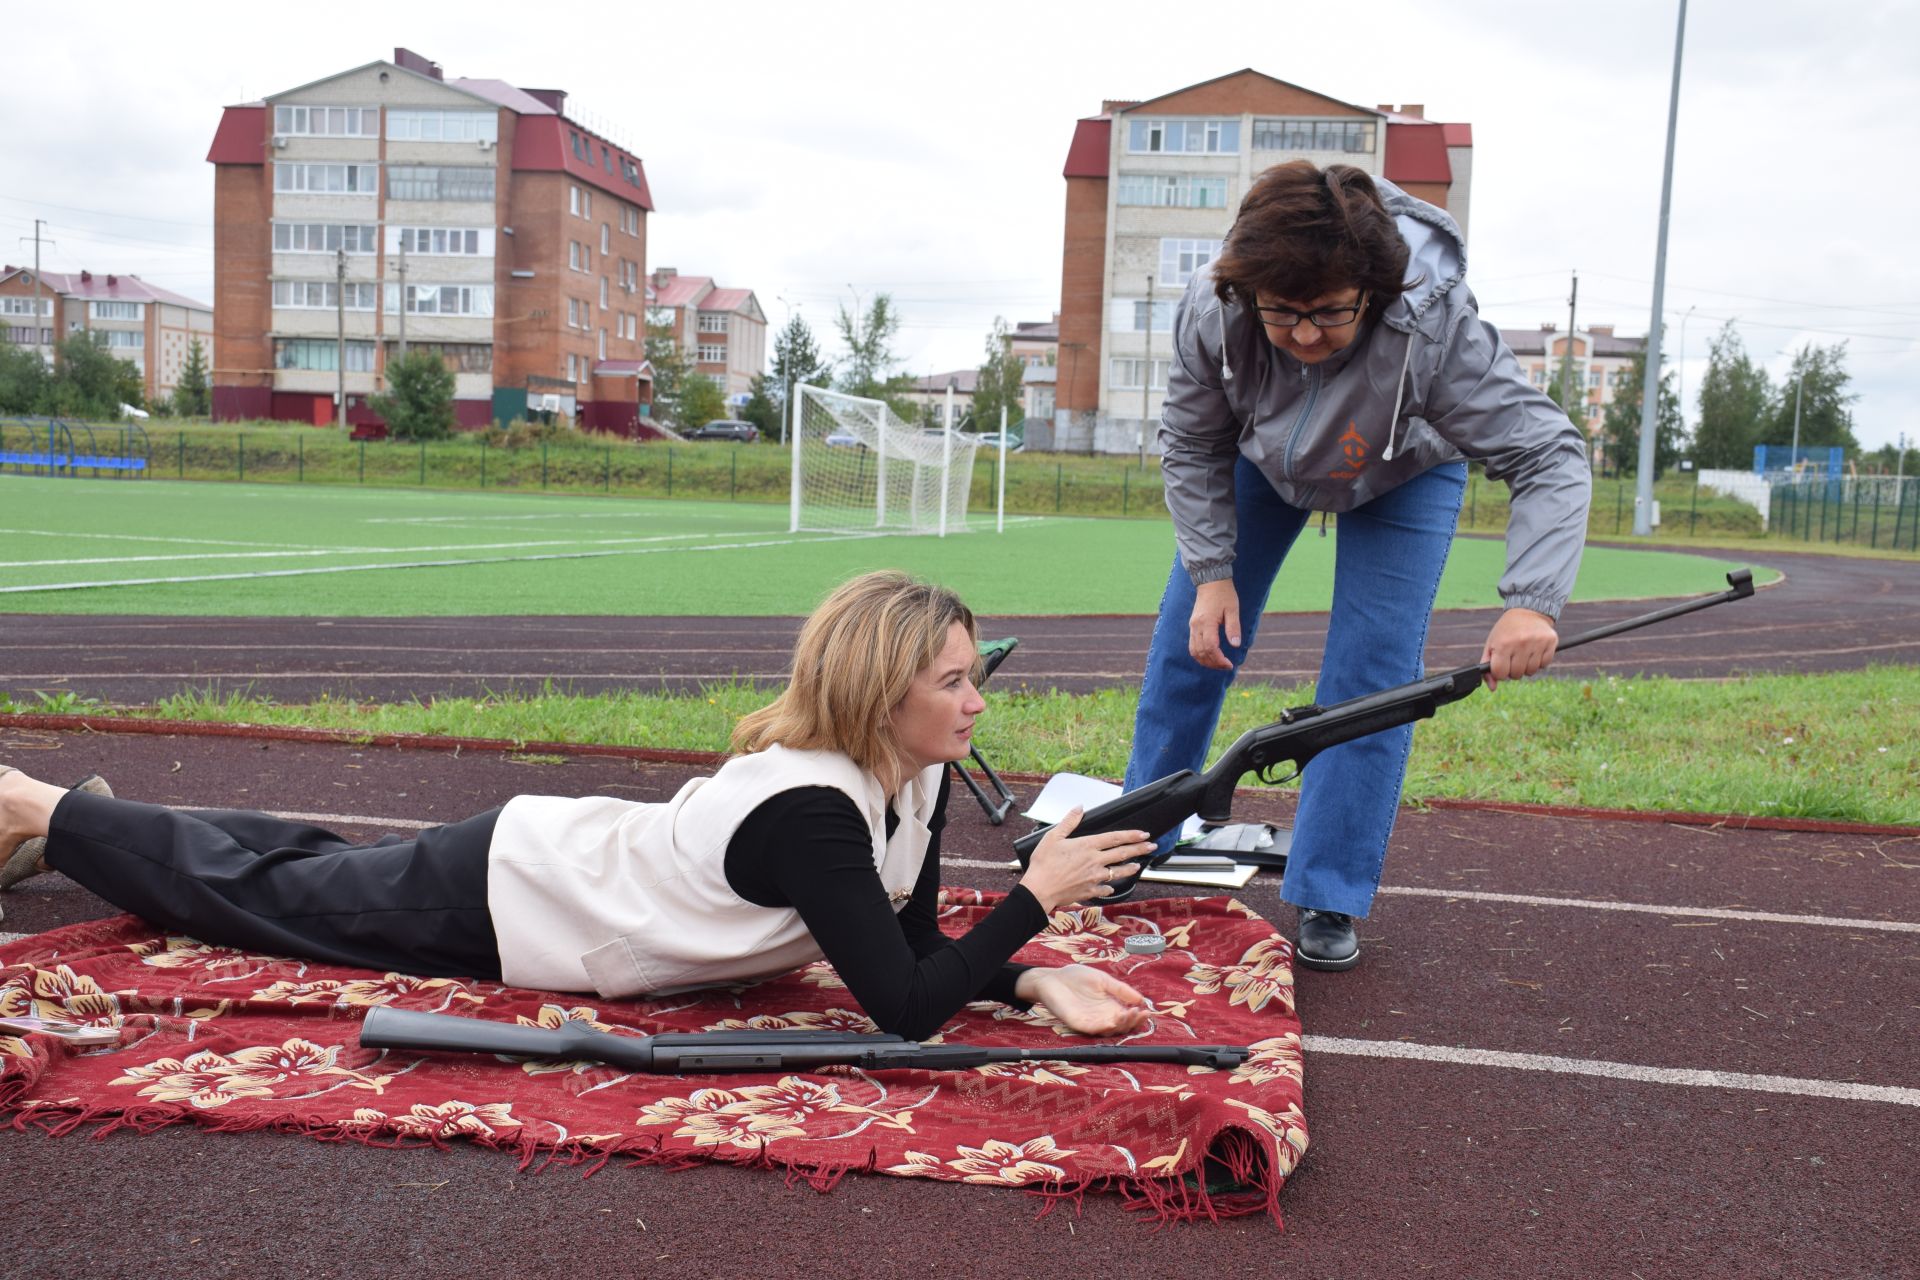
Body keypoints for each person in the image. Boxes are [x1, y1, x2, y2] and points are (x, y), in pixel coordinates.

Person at [0, 572, 1158, 1041]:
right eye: (952, 681)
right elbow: (903, 1008)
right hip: (518, 896)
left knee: (309, 861)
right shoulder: (814, 808)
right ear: (878, 690)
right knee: (270, 898)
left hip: (552, 854)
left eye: (972, 677)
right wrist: (1033, 900)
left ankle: (66, 816)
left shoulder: (910, 779)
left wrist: (1023, 973)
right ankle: (36, 804)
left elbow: (905, 944)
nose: (975, 703)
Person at [1126, 161, 1591, 972]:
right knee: (1190, 642)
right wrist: (1210, 570)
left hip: (1403, 467)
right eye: (1284, 314)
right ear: (1247, 292)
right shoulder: (1216, 306)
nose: (1306, 335)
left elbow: (1548, 453)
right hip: (1259, 458)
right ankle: (1137, 841)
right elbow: (1194, 441)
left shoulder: (1435, 325)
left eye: (1331, 314)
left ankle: (1330, 892)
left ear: (1372, 292)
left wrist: (1533, 600)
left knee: (1370, 677)